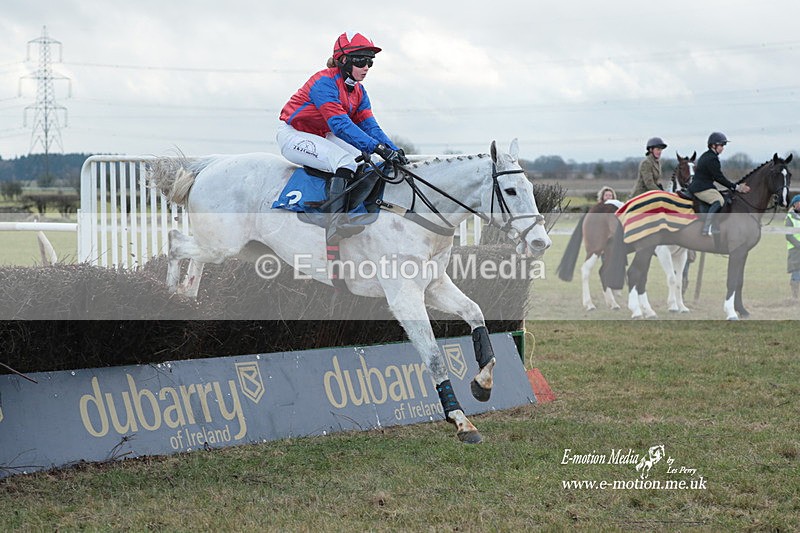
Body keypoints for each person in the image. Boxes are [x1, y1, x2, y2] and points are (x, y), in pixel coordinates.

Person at [277, 31, 408, 242]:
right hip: (294, 134)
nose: (366, 67)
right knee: (346, 160)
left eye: (370, 62)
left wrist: (391, 149)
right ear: (344, 60)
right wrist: (378, 147)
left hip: (322, 134)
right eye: (361, 60)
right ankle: (334, 222)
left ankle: (355, 212)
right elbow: (340, 125)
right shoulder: (323, 82)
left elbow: (369, 126)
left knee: (368, 160)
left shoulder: (359, 91)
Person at [688, 132, 750, 236]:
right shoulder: (712, 158)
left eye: (723, 146)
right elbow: (719, 177)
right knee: (719, 200)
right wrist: (736, 187)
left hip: (704, 186)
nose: (722, 148)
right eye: (721, 145)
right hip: (701, 188)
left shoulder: (708, 155)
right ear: (713, 145)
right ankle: (707, 227)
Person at [786, 194, 800, 302]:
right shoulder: (790, 217)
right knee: (796, 273)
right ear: (794, 204)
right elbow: (788, 235)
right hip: (795, 250)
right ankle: (795, 297)